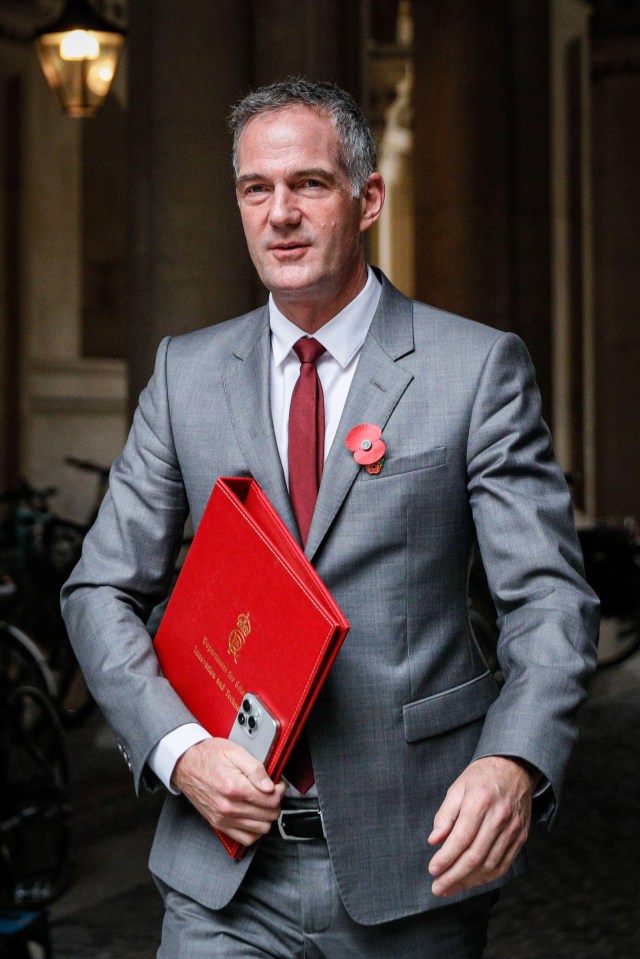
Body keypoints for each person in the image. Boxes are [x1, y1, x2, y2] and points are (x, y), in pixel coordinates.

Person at [61, 79, 599, 958]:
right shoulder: (185, 375)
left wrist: (515, 760)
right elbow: (99, 590)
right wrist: (180, 750)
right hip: (220, 870)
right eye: (255, 189)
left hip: (414, 856)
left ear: (368, 199)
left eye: (309, 183)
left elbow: (548, 601)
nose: (280, 214)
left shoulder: (475, 369)